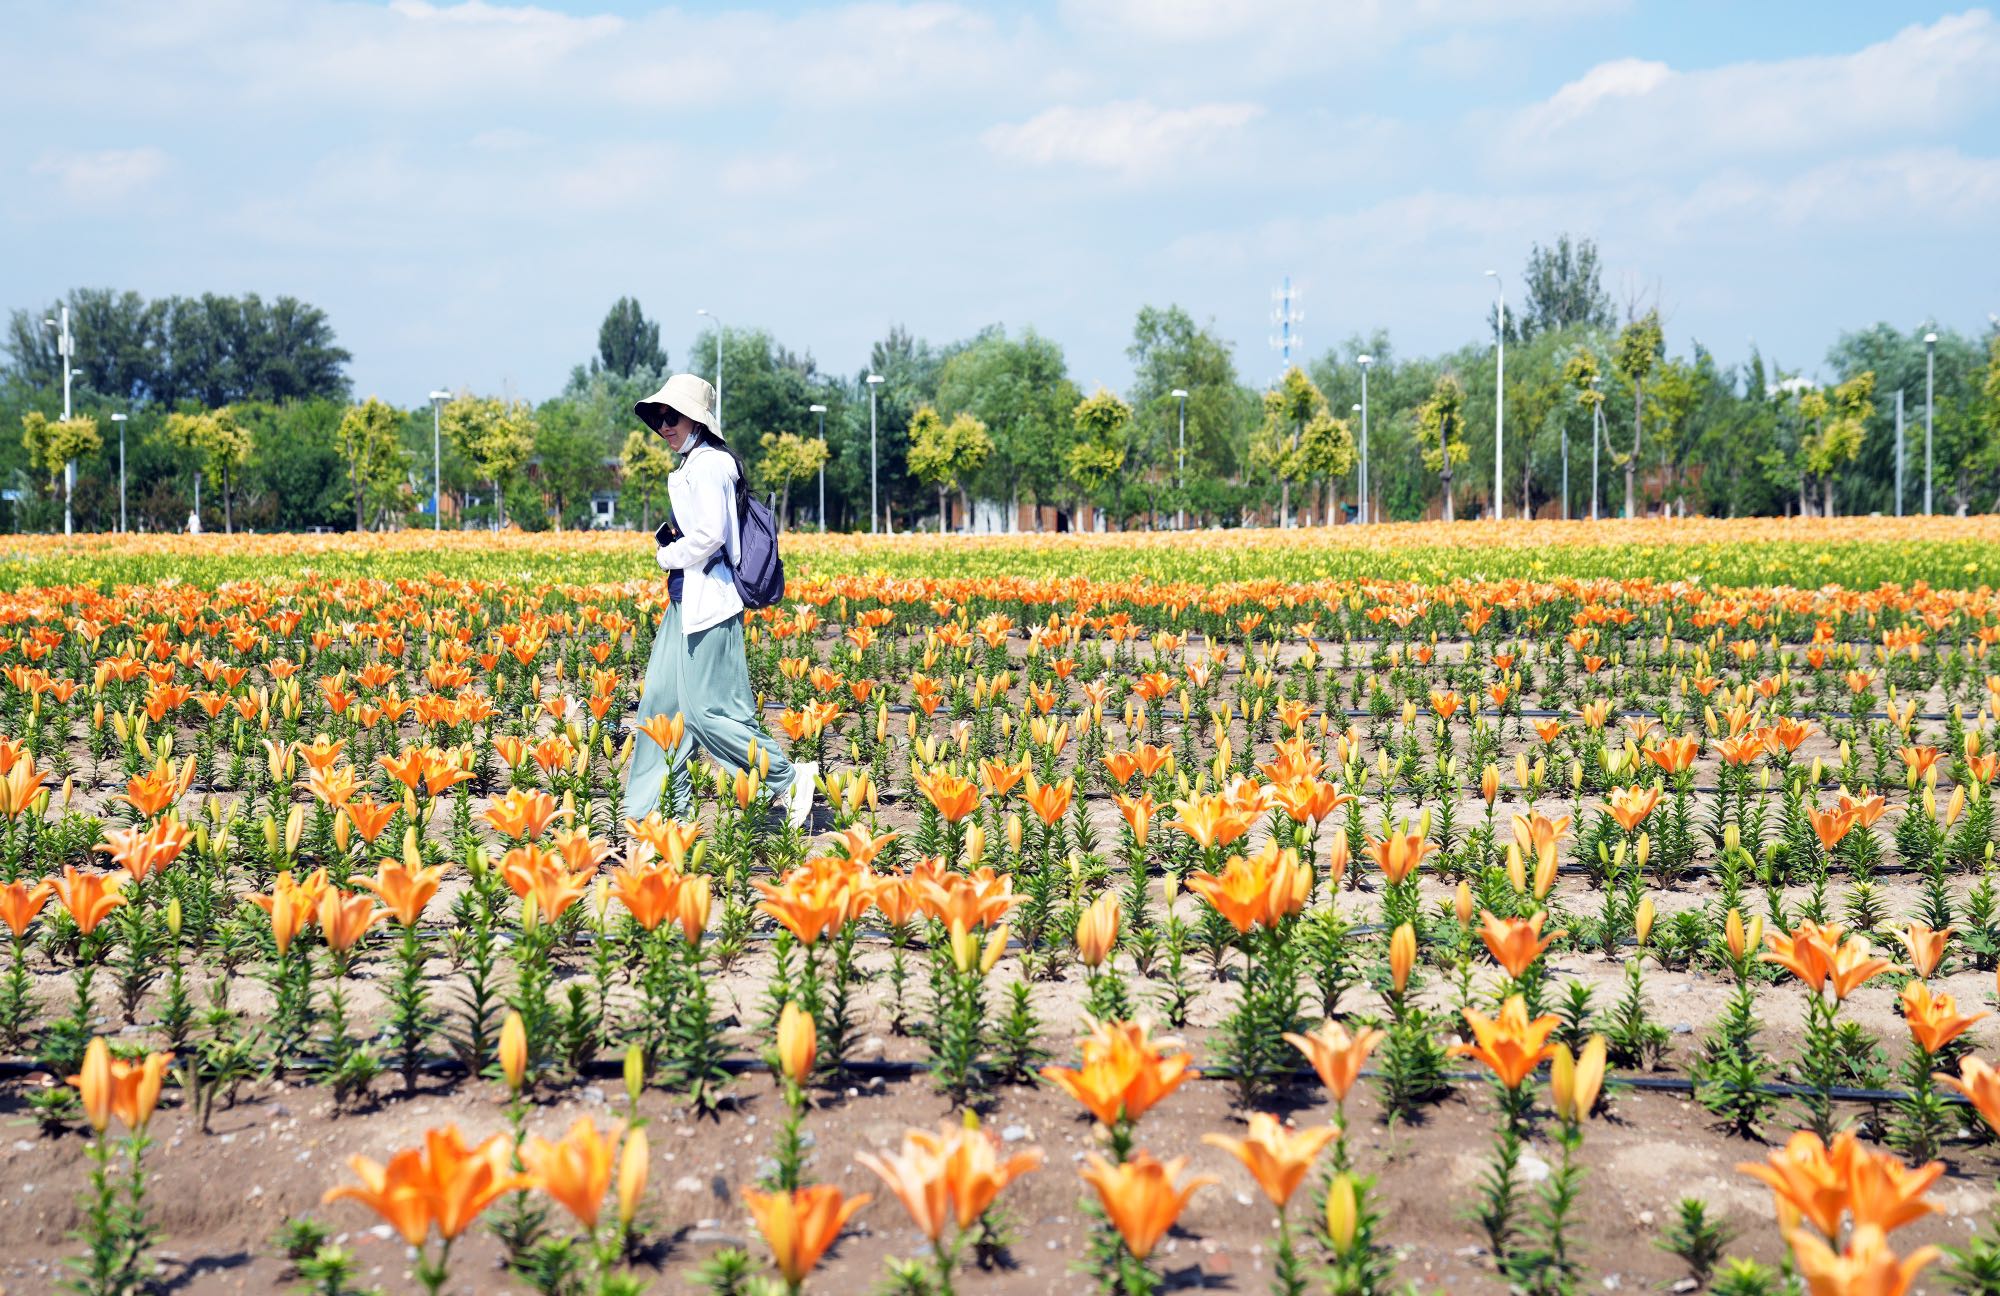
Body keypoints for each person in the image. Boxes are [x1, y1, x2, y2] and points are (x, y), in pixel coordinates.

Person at [622, 372, 815, 829]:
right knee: (661, 708)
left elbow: (710, 535)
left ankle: (787, 781)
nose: (665, 426)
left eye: (674, 418)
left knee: (708, 713)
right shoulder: (695, 464)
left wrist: (666, 552)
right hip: (685, 601)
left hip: (709, 601)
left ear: (698, 421)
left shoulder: (709, 465)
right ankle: (659, 811)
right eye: (660, 419)